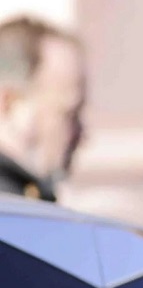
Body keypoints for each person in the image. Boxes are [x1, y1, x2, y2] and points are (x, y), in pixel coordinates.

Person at [0, 15, 86, 202]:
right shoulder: (16, 207)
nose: (82, 135)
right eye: (69, 115)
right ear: (9, 104)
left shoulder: (26, 201)